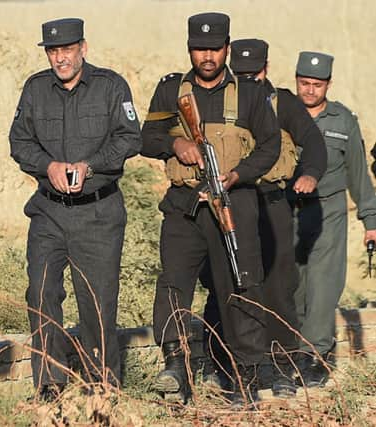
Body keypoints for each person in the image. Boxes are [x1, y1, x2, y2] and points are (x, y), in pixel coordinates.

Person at [141, 13, 281, 407]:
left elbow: (270, 146)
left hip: (233, 202)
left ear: (227, 49)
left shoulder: (250, 95)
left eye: (215, 49)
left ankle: (247, 378)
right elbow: (146, 137)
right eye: (200, 49)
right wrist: (176, 146)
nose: (207, 56)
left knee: (241, 284)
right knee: (172, 285)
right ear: (190, 49)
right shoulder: (171, 91)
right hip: (184, 206)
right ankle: (174, 368)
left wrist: (238, 174)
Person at [9, 18, 141, 400]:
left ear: (83, 47)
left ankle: (103, 388)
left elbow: (130, 138)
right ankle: (50, 385)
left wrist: (91, 166)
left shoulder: (111, 86)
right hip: (48, 212)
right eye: (52, 51)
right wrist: (47, 166)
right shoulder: (35, 89)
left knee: (97, 303)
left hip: (98, 214)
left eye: (66, 50)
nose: (60, 58)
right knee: (41, 293)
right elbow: (19, 141)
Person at [200, 39, 327, 397]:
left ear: (266, 70)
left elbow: (313, 143)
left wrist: (311, 174)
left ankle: (285, 367)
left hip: (271, 201)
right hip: (232, 203)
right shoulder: (222, 100)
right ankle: (224, 366)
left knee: (277, 285)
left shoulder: (281, 102)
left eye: (253, 75)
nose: (248, 81)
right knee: (227, 286)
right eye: (240, 75)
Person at [289, 51, 376, 387]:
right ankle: (293, 352)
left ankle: (315, 356)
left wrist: (370, 220)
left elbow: (358, 174)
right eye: (304, 83)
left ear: (328, 84)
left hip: (329, 211)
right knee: (292, 286)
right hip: (289, 210)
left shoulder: (343, 120)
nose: (310, 90)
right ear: (296, 81)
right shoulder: (282, 114)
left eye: (317, 84)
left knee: (323, 286)